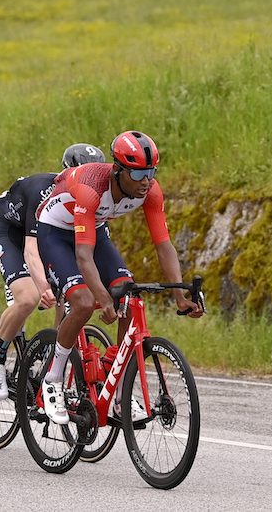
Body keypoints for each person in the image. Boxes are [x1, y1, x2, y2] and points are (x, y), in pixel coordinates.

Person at [34, 130, 203, 424]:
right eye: (138, 174)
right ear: (117, 170)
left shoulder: (150, 191)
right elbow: (83, 257)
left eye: (151, 172)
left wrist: (180, 296)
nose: (146, 181)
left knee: (128, 293)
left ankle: (120, 390)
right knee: (85, 302)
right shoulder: (91, 187)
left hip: (93, 228)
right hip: (55, 231)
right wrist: (101, 297)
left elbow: (164, 245)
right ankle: (53, 378)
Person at [0, 143, 107, 400]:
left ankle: (51, 352)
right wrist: (42, 286)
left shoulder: (95, 199)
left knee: (71, 291)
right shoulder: (45, 193)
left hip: (48, 237)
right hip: (12, 234)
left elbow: (92, 252)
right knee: (28, 297)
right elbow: (30, 250)